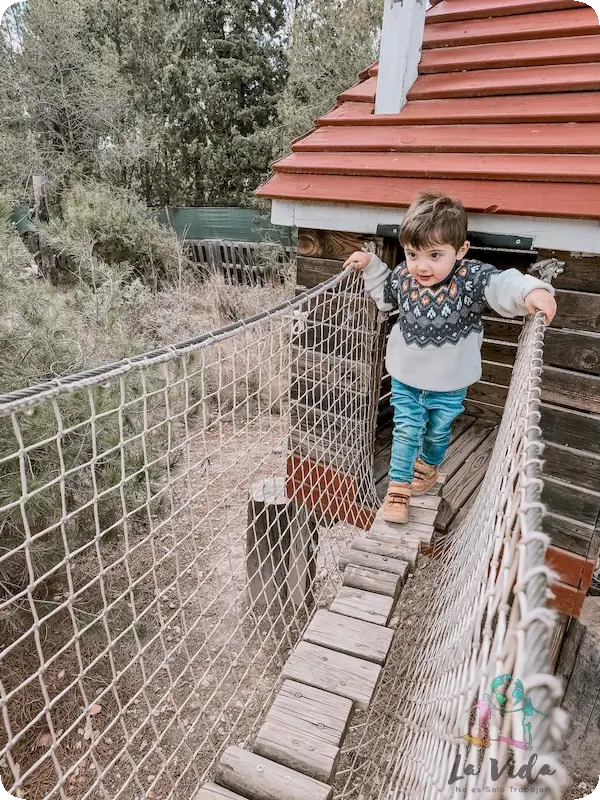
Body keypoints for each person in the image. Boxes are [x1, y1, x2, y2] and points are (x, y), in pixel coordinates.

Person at [342, 192, 557, 524]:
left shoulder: (470, 278)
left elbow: (501, 283)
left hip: (450, 382)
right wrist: (371, 265)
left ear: (460, 252)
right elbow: (386, 297)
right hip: (406, 377)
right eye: (413, 253)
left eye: (434, 254)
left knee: (438, 433)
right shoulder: (403, 276)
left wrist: (531, 291)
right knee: (406, 429)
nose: (421, 265)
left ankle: (427, 466)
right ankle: (398, 488)